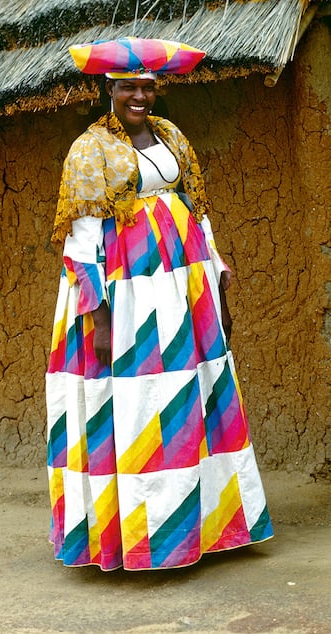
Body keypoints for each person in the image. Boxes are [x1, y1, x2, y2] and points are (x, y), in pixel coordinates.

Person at [46, 38, 273, 571]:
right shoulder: (89, 149)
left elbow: (197, 211)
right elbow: (81, 239)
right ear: (110, 88)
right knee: (135, 404)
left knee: (190, 398)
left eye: (148, 88)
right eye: (129, 87)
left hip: (183, 293)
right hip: (127, 298)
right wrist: (99, 318)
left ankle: (201, 531)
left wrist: (216, 278)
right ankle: (138, 540)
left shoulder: (171, 135)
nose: (140, 97)